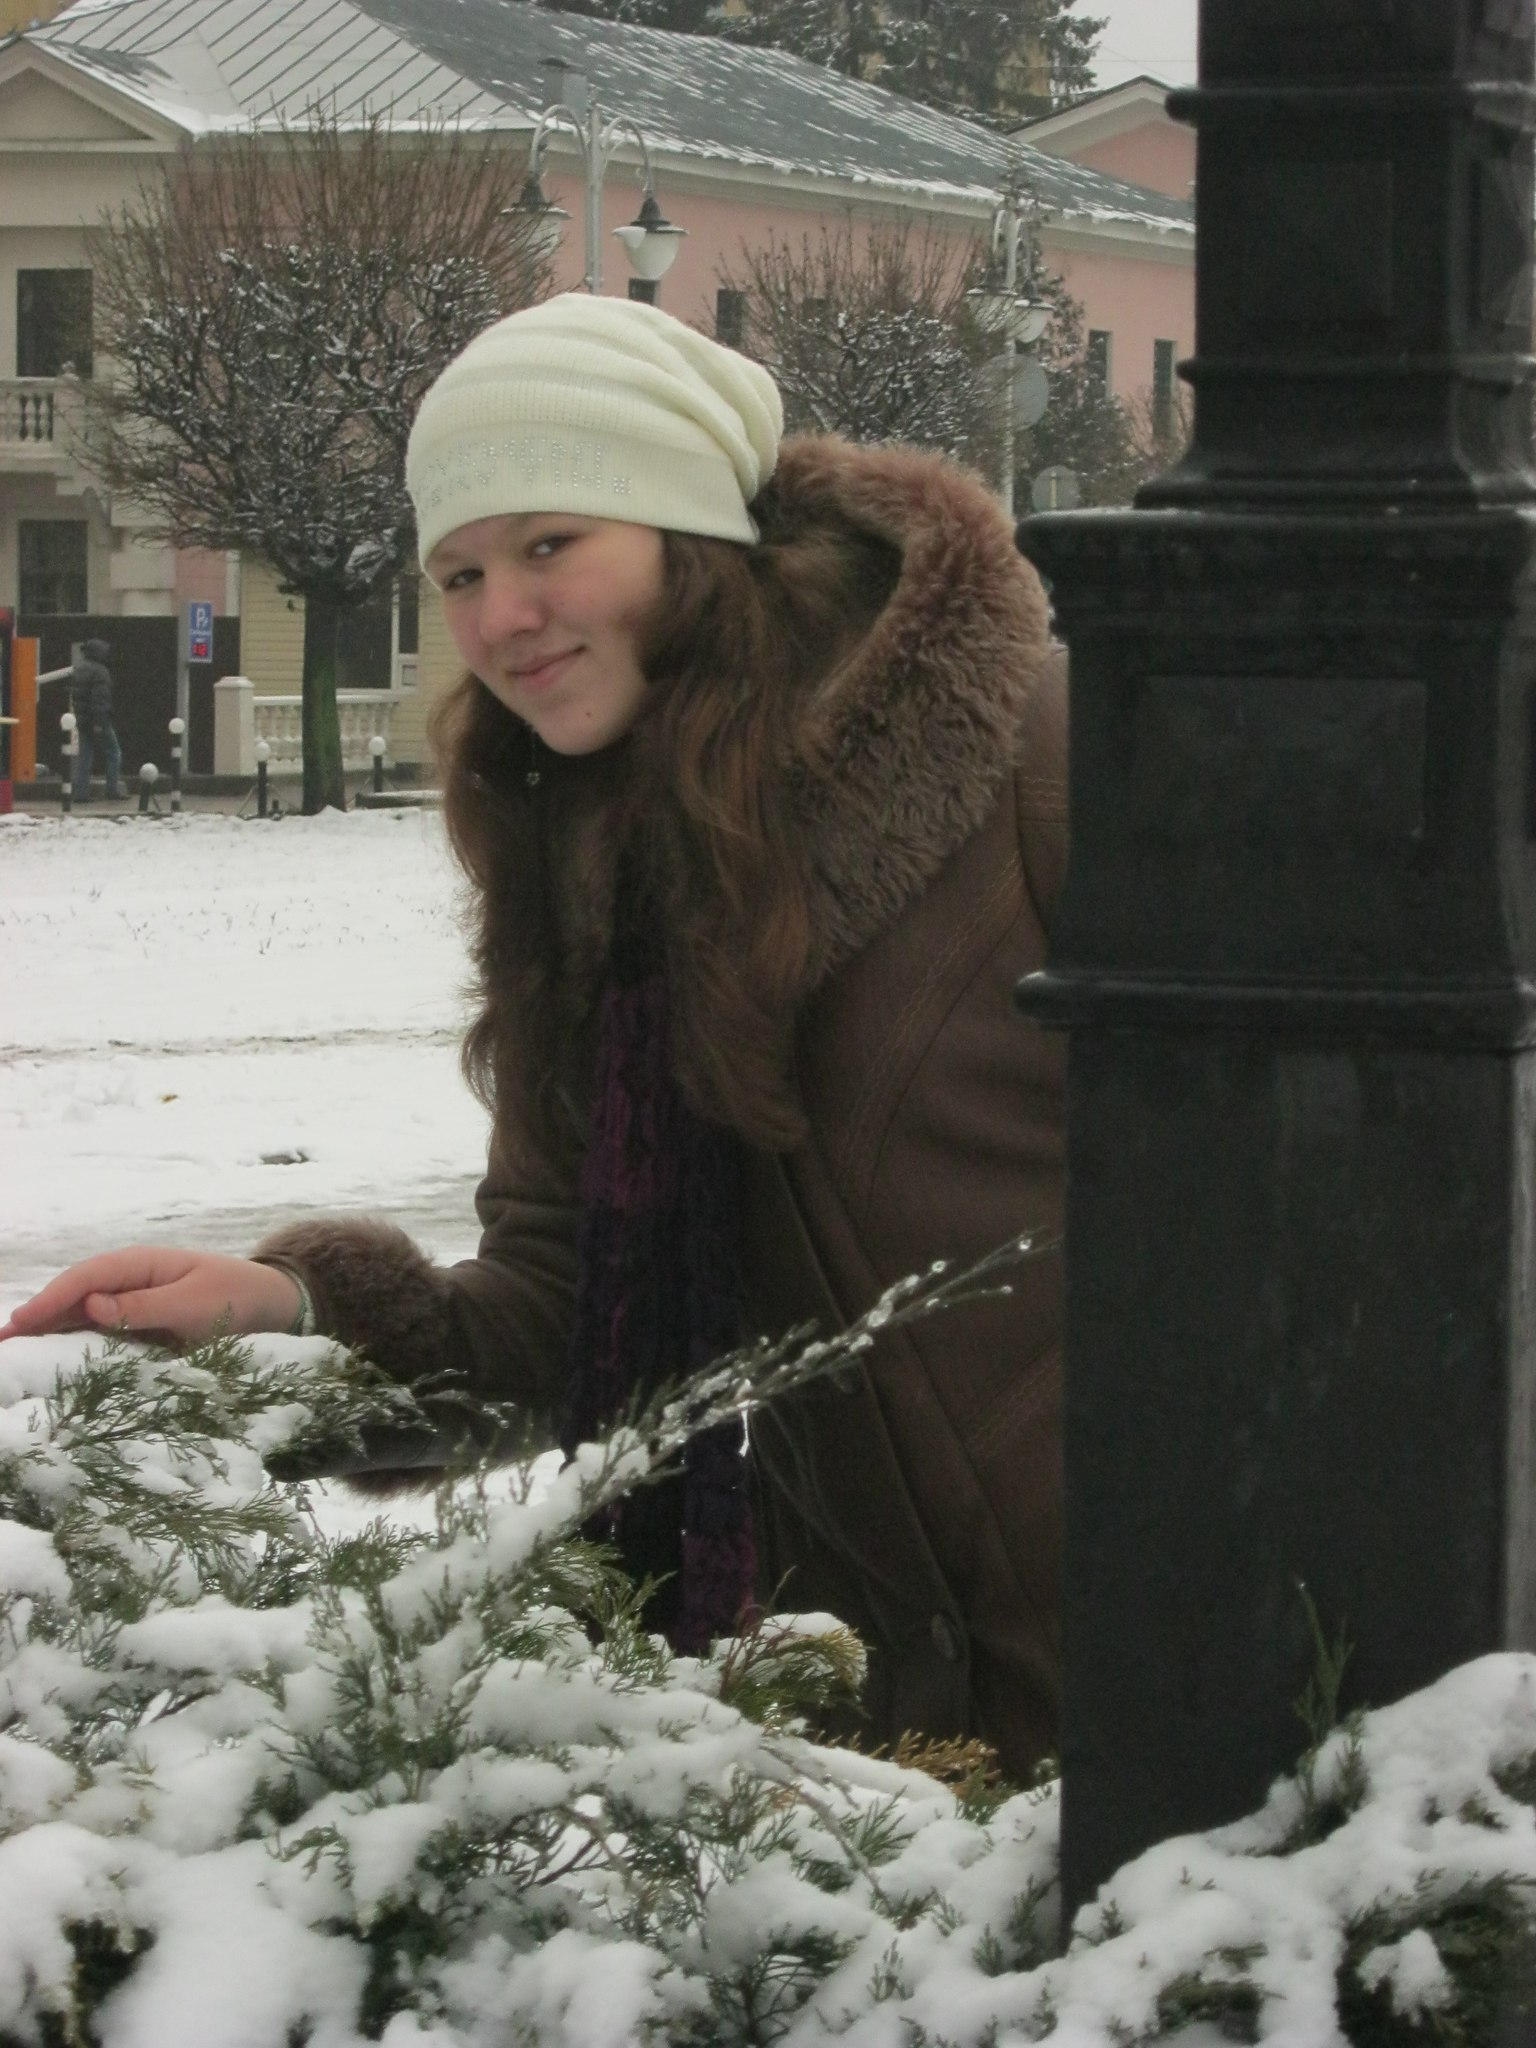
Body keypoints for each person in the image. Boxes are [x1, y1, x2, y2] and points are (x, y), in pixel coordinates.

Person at [0, 295, 1068, 1778]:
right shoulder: (594, 870)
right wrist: (287, 1310)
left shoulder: (1041, 762)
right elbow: (571, 1310)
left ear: (695, 538)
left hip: (1236, 1666)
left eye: (551, 542)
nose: (501, 616)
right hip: (917, 1747)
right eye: (461, 572)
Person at [70, 637, 124, 801]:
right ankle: (112, 790)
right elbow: (100, 701)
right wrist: (100, 723)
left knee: (85, 756)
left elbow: (78, 697)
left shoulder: (79, 669)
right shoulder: (100, 671)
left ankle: (81, 793)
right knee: (113, 752)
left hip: (82, 720)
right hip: (99, 720)